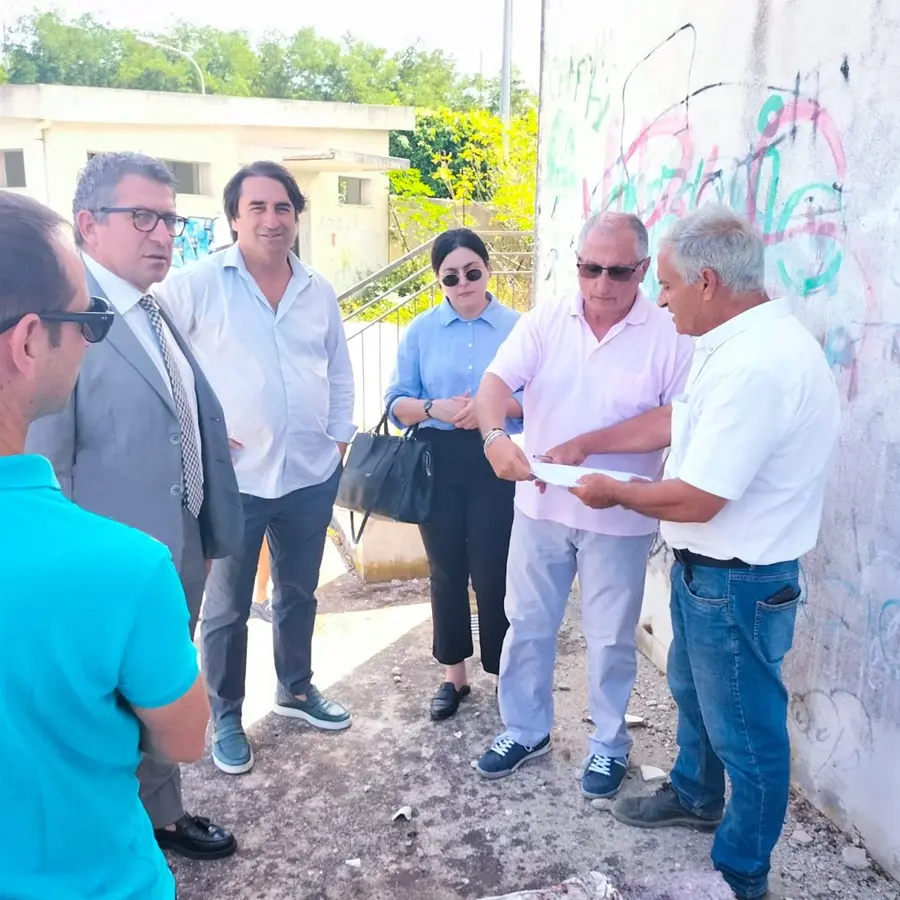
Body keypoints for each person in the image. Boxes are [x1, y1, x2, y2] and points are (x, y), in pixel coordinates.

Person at [568, 206, 841, 900]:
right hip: (709, 576)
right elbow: (678, 419)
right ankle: (694, 792)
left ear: (709, 281)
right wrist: (586, 443)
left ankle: (742, 873)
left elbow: (698, 498)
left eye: (665, 285)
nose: (659, 300)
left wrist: (615, 492)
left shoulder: (756, 364)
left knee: (748, 736)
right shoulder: (732, 340)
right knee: (693, 695)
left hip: (735, 583)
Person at [26, 152, 243, 861]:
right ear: (88, 225)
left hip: (175, 538)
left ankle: (160, 814)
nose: (162, 233)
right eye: (142, 216)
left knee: (157, 680)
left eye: (171, 218)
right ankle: (120, 824)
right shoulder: (69, 321)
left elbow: (174, 413)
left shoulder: (150, 305)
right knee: (113, 701)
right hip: (106, 557)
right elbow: (50, 457)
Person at [0, 191, 210, 899]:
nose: (96, 335)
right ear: (29, 342)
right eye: (87, 319)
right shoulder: (120, 568)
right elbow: (183, 738)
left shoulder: (166, 307)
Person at [472, 212, 694, 798]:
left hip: (618, 515)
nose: (601, 284)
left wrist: (590, 446)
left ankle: (609, 744)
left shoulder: (670, 332)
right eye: (589, 268)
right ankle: (524, 730)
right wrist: (495, 439)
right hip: (539, 508)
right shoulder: (547, 318)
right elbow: (494, 384)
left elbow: (673, 420)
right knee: (527, 626)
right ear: (577, 265)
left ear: (643, 270)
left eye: (618, 271)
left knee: (610, 636)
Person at [156, 161, 356, 776]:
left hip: (309, 474)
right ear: (234, 218)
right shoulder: (197, 283)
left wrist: (339, 438)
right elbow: (153, 352)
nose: (272, 220)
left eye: (283, 208)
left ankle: (295, 688)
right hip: (235, 481)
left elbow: (339, 368)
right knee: (227, 607)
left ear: (297, 216)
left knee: (298, 592)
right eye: (258, 208)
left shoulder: (316, 287)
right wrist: (195, 431)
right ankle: (225, 714)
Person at [384, 228, 523, 720]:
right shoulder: (421, 330)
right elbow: (396, 403)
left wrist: (490, 408)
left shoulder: (516, 327)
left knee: (493, 569)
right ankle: (454, 675)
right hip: (435, 459)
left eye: (472, 272)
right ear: (437, 280)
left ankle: (504, 673)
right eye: (450, 276)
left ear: (488, 270)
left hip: (494, 455)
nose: (463, 283)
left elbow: (534, 400)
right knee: (445, 570)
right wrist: (432, 406)